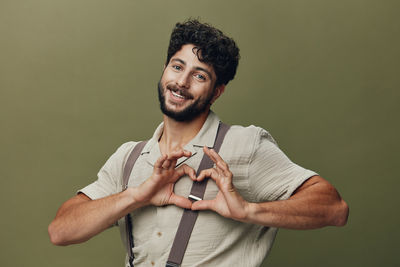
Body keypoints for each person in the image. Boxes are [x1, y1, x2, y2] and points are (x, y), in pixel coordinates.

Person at [48, 19, 349, 267]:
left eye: (199, 75)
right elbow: (60, 231)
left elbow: (334, 208)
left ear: (217, 92)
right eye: (177, 67)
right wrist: (137, 195)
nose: (181, 82)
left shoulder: (245, 145)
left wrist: (248, 211)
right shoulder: (130, 157)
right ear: (165, 69)